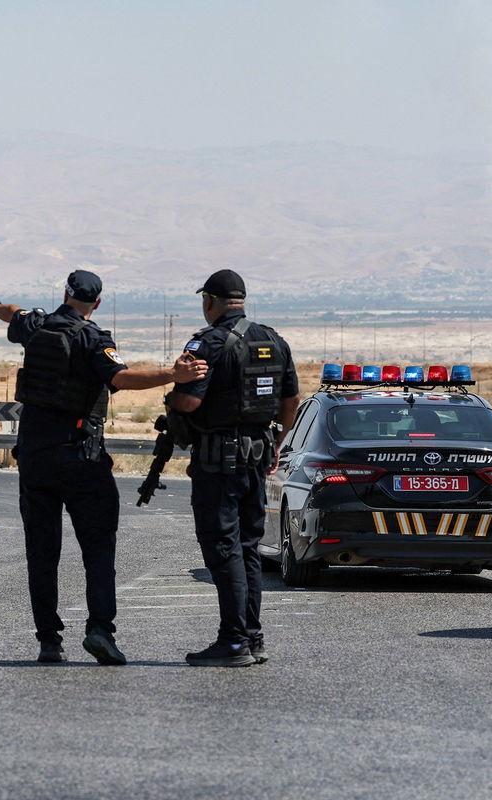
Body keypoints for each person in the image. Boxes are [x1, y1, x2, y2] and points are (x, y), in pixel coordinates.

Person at [0, 270, 207, 666]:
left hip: (35, 457)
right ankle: (100, 630)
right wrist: (173, 374)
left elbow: (13, 312)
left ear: (65, 294)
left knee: (42, 552)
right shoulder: (94, 338)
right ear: (96, 303)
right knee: (99, 550)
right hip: (81, 458)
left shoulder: (38, 324)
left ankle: (49, 640)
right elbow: (122, 377)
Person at [167, 269, 300, 667]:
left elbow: (189, 403)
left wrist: (172, 391)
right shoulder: (272, 340)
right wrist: (275, 441)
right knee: (247, 549)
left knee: (223, 550)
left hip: (218, 462)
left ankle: (234, 641)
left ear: (209, 301)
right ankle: (252, 637)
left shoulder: (207, 343)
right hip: (257, 457)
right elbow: (290, 400)